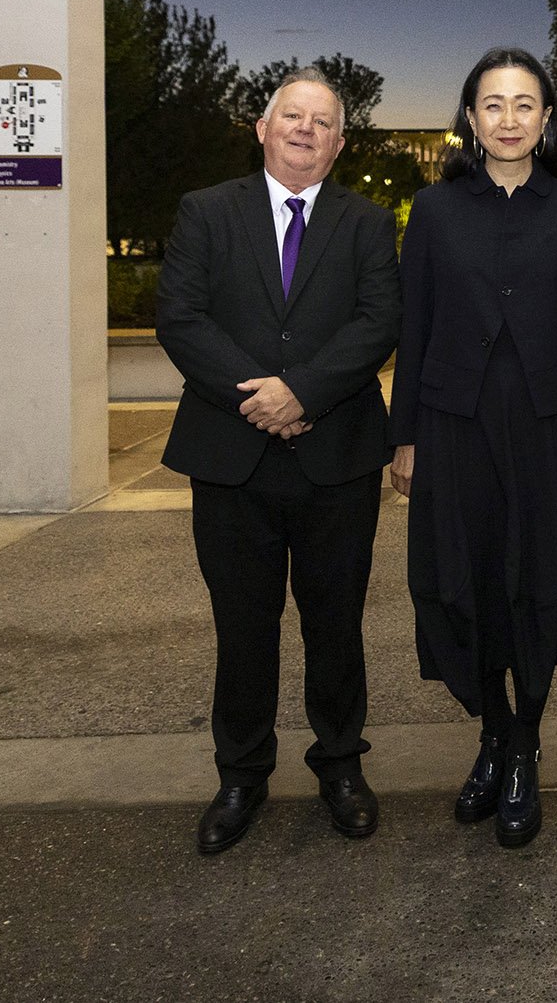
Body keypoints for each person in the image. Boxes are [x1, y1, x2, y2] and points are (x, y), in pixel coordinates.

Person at [155, 69, 402, 855]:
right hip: (234, 458)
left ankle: (339, 765)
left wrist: (302, 392)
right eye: (290, 115)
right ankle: (241, 774)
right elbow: (181, 318)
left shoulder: (365, 223)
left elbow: (379, 321)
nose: (304, 128)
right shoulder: (207, 211)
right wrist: (256, 398)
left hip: (337, 456)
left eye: (321, 121)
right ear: (261, 128)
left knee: (336, 622)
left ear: (339, 142)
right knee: (243, 625)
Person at [389, 48, 557, 848]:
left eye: (526, 104)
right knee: (472, 581)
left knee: (541, 583)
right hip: (456, 425)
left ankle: (524, 743)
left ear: (546, 119)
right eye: (494, 104)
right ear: (469, 117)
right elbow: (412, 329)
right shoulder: (433, 209)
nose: (510, 118)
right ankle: (490, 732)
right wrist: (407, 438)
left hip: (552, 426)